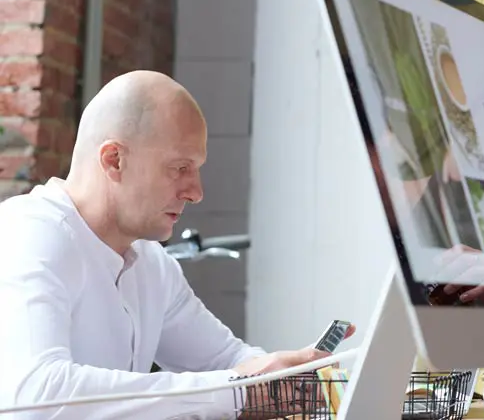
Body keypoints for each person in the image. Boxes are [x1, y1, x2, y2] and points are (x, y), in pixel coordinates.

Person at [0, 70, 350, 420]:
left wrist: (290, 377)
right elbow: (36, 397)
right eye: (179, 167)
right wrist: (239, 390)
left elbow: (226, 361)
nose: (195, 193)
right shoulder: (30, 235)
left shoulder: (151, 262)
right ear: (114, 160)